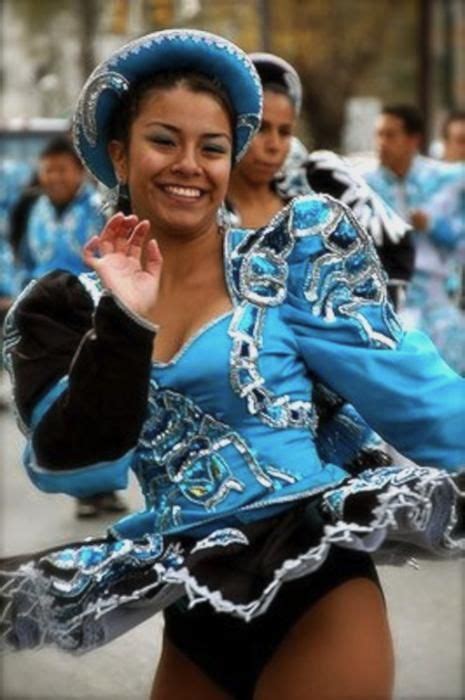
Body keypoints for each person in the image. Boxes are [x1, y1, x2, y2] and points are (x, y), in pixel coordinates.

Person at [1, 29, 464, 700]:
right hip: (193, 600)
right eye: (164, 140)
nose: (189, 164)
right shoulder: (73, 308)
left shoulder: (287, 265)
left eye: (212, 148)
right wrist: (125, 323)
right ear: (119, 154)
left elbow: (419, 400)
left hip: (316, 589)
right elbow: (77, 466)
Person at [228, 53, 415, 311]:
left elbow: (395, 241)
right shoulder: (203, 202)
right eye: (261, 128)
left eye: (284, 132)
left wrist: (372, 318)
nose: (273, 145)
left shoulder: (321, 183)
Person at [11, 136, 128, 517]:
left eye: (62, 169)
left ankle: (106, 486)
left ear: (78, 171)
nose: (55, 177)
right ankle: (84, 490)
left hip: (92, 315)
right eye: (48, 170)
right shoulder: (35, 211)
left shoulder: (98, 209)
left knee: (102, 401)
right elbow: (26, 260)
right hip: (48, 324)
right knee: (60, 404)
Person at [365, 104, 465, 374]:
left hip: (437, 300)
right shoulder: (363, 186)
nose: (382, 143)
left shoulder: (445, 182)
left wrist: (433, 224)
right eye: (379, 135)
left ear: (413, 140)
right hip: (384, 304)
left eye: (390, 135)